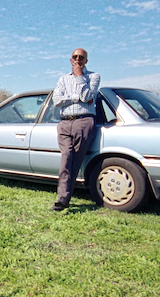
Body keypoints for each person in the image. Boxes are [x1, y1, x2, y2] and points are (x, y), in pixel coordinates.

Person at [51, 47, 101, 211]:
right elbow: (57, 100)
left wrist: (80, 76)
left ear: (86, 60)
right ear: (71, 59)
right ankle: (62, 198)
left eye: (81, 57)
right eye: (75, 57)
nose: (78, 59)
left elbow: (87, 97)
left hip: (84, 122)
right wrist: (75, 97)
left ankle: (64, 199)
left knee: (75, 161)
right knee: (66, 158)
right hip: (65, 122)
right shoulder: (63, 79)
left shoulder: (93, 77)